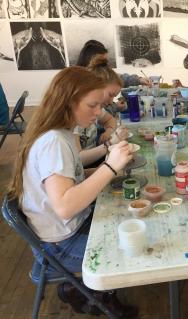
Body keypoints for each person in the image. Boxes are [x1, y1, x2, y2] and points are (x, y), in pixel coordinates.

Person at [8, 66, 138, 317]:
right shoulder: (54, 142)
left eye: (101, 105)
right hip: (60, 244)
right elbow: (65, 205)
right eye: (92, 105)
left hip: (64, 231)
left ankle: (81, 290)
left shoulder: (60, 133)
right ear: (68, 101)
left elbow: (72, 178)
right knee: (130, 251)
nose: (100, 112)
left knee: (125, 218)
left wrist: (106, 168)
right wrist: (110, 167)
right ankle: (92, 293)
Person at [76, 39, 151, 87]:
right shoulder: (83, 83)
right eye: (103, 62)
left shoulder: (100, 72)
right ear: (92, 61)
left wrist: (139, 80)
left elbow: (117, 78)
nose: (107, 66)